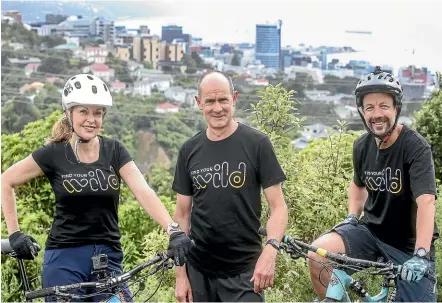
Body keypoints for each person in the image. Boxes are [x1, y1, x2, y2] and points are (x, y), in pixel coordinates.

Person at [1, 74, 192, 302]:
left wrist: (173, 230)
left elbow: (144, 192)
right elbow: (6, 180)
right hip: (64, 259)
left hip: (109, 258)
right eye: (84, 111)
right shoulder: (54, 153)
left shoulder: (114, 150)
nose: (91, 119)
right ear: (69, 113)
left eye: (97, 113)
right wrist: (15, 234)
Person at [307, 66, 438, 302]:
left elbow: (426, 202)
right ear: (362, 112)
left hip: (408, 245)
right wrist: (351, 216)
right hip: (370, 232)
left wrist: (420, 253)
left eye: (383, 106)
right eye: (369, 107)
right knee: (318, 255)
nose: (376, 114)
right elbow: (358, 185)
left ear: (396, 108)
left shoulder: (415, 147)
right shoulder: (362, 146)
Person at [172, 70, 288, 302]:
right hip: (199, 272)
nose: (217, 108)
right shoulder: (189, 150)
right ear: (198, 103)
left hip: (244, 272)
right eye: (210, 101)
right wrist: (181, 276)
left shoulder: (257, 144)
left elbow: (279, 207)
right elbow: (182, 215)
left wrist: (271, 250)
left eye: (223, 100)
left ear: (234, 98)